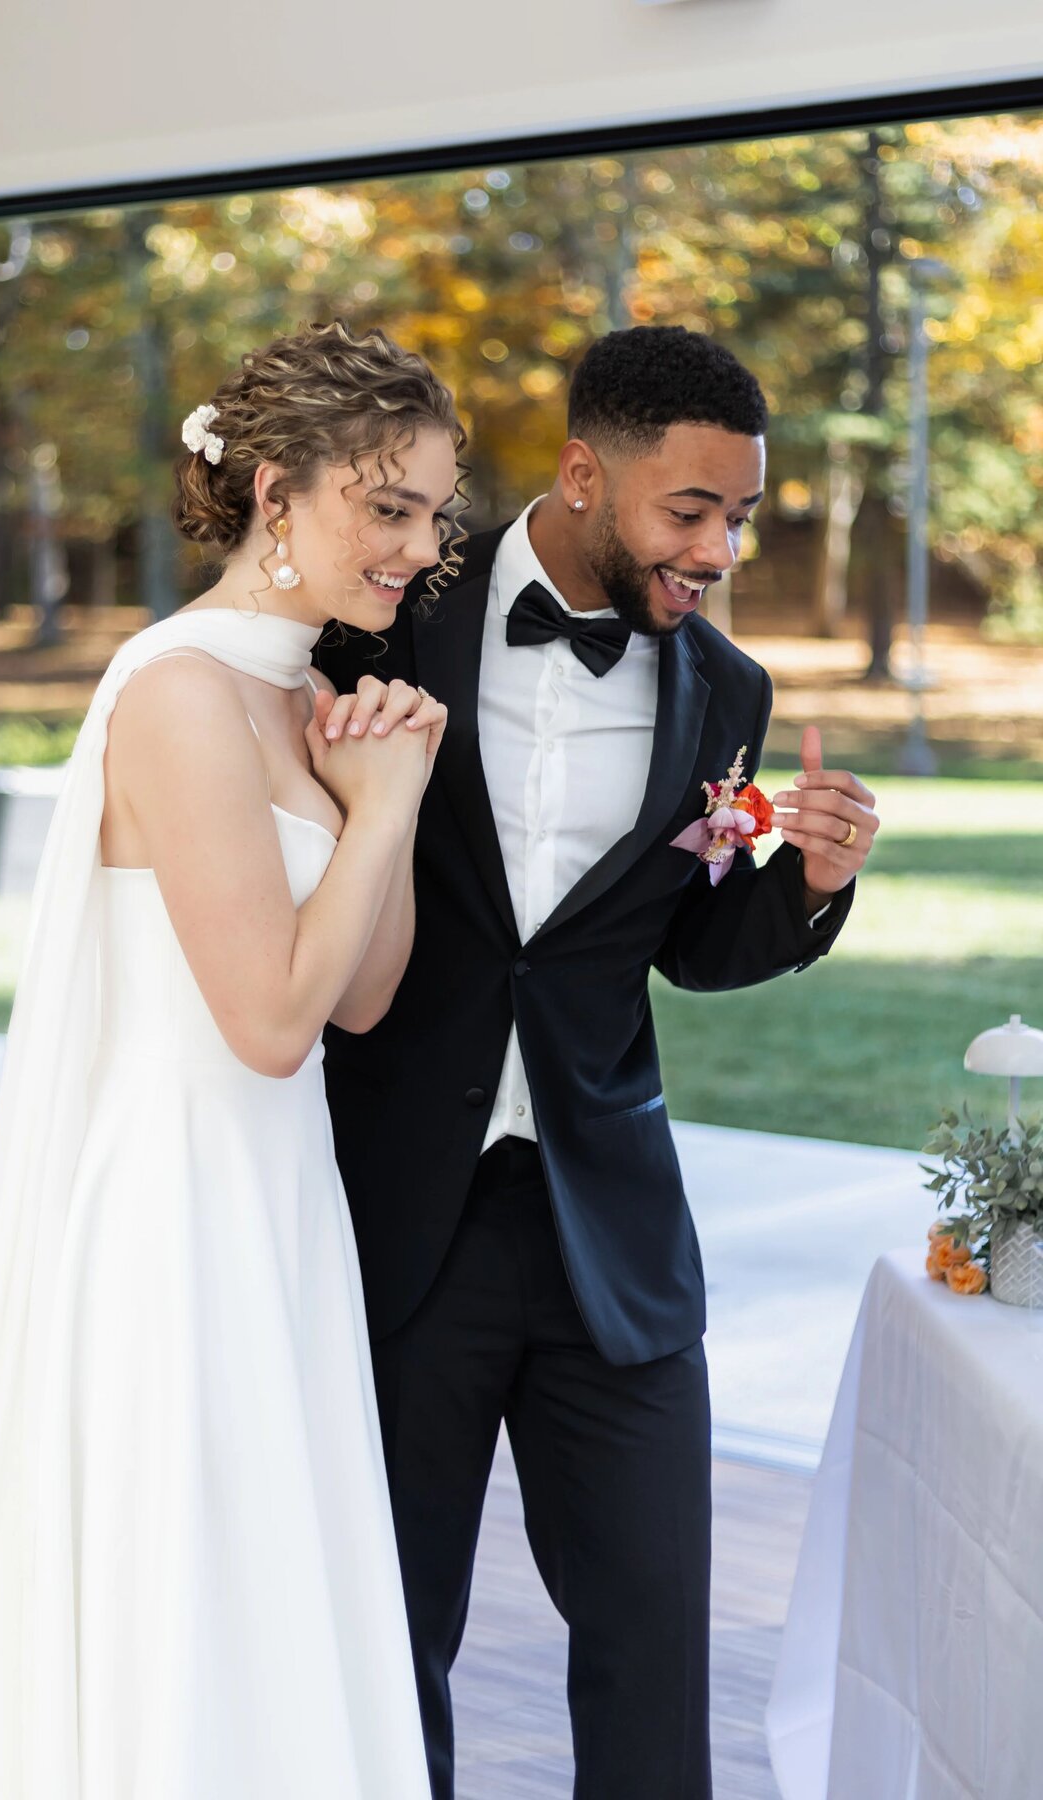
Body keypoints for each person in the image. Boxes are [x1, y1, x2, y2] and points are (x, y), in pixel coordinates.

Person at [0, 320, 463, 1800]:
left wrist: (375, 795)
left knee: (266, 1590)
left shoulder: (299, 693)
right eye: (389, 508)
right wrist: (388, 808)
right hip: (173, 1211)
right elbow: (270, 1024)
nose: (420, 549)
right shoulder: (180, 691)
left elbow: (366, 996)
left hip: (277, 1201)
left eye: (433, 514)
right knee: (181, 1595)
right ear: (276, 491)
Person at [316, 323, 880, 1800]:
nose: (719, 553)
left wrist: (810, 885)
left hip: (607, 1233)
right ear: (581, 475)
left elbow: (686, 945)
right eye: (689, 512)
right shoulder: (386, 621)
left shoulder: (728, 694)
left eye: (738, 516)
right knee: (389, 1641)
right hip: (397, 1215)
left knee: (651, 1642)